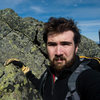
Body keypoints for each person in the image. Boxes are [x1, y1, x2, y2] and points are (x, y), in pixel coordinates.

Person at [4, 17, 100, 100]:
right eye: (52, 44)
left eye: (65, 44)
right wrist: (24, 70)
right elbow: (40, 87)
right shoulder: (48, 74)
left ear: (76, 48)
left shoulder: (88, 78)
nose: (58, 52)